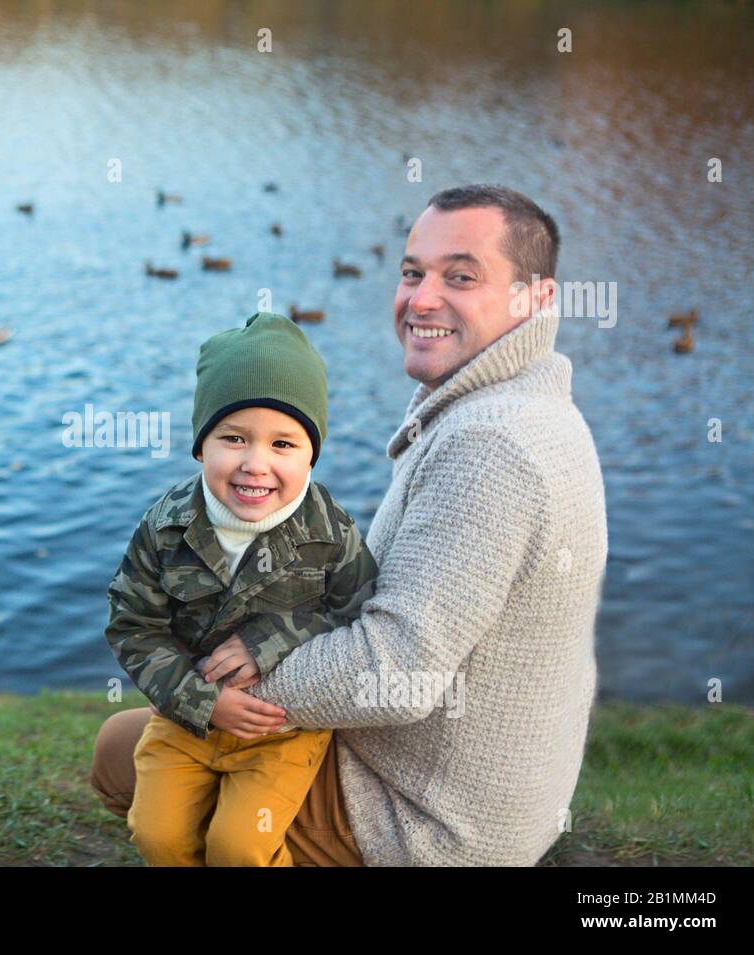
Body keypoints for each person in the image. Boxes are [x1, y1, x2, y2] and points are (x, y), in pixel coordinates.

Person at [92, 184, 608, 866]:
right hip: (460, 785)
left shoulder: (492, 449)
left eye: (460, 276)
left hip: (425, 820)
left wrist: (208, 694)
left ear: (535, 300)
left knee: (121, 753)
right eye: (412, 272)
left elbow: (398, 668)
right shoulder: (524, 406)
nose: (421, 298)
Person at [106, 312, 378, 866]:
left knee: (239, 845)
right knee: (157, 834)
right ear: (201, 446)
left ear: (311, 453)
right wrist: (200, 701)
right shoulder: (164, 528)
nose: (256, 464)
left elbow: (361, 615)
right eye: (233, 438)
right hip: (185, 715)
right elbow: (134, 627)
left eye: (283, 444)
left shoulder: (330, 531)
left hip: (282, 729)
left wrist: (273, 639)